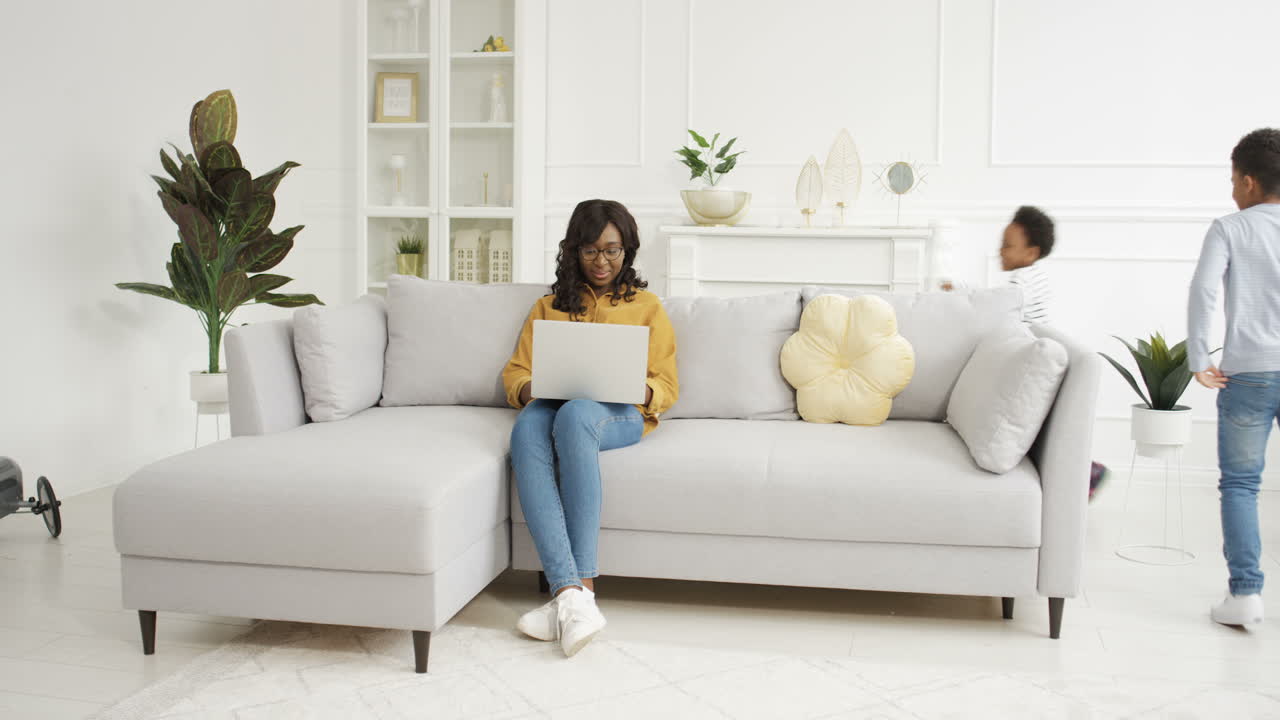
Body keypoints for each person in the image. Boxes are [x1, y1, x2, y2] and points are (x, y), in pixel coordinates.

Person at [501, 198, 678, 656]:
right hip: (555, 403)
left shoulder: (647, 306)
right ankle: (572, 599)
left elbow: (666, 384)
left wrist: (632, 386)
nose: (602, 262)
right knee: (527, 425)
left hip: (618, 413)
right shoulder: (548, 306)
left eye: (613, 250)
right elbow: (515, 374)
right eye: (591, 251)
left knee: (578, 413)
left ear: (628, 251)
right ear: (573, 252)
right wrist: (534, 388)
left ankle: (581, 586)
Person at [1188, 128, 1280, 627]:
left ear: (1247, 182)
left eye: (1231, 180)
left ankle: (1245, 595)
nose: (1230, 191)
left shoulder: (1230, 228)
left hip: (1247, 373)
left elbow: (1203, 292)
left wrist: (1199, 356)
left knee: (1242, 485)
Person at [1000, 206, 1110, 499]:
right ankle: (1087, 470)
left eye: (1008, 246)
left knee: (1038, 429)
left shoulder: (1019, 281)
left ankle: (1088, 472)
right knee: (1046, 430)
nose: (1001, 251)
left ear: (1031, 252)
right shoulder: (1036, 276)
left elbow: (1004, 313)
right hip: (1048, 360)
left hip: (1035, 364)